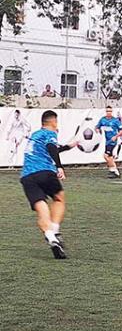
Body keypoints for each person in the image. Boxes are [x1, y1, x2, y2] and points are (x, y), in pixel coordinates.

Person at [20, 110, 77, 259]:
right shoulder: (50, 132)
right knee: (59, 198)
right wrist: (59, 166)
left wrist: (68, 147)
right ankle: (55, 231)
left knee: (42, 209)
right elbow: (51, 148)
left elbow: (51, 149)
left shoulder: (35, 135)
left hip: (27, 176)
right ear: (53, 122)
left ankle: (51, 237)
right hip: (44, 172)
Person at [96, 106, 122, 178]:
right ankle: (114, 172)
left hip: (112, 141)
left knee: (106, 156)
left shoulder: (115, 121)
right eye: (107, 111)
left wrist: (116, 136)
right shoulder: (103, 120)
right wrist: (98, 130)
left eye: (110, 111)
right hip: (107, 141)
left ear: (112, 112)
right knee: (110, 157)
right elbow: (97, 127)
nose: (109, 112)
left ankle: (114, 171)